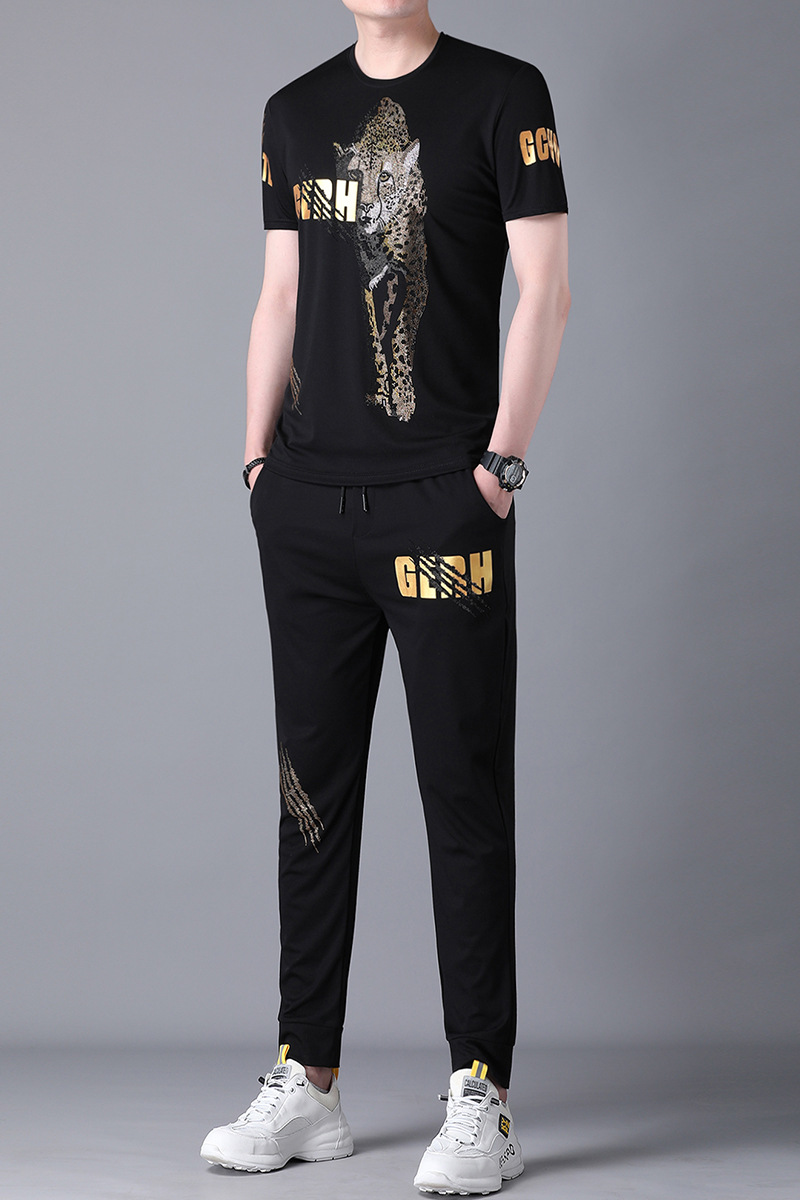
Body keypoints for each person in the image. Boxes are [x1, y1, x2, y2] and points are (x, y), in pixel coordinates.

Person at [200, 0, 570, 1192]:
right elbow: (277, 296)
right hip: (306, 511)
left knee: (462, 791)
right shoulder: (293, 112)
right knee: (308, 797)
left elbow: (545, 288)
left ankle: (480, 1092)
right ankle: (305, 1081)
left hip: (439, 505)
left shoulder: (503, 94)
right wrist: (254, 465)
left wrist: (499, 469)